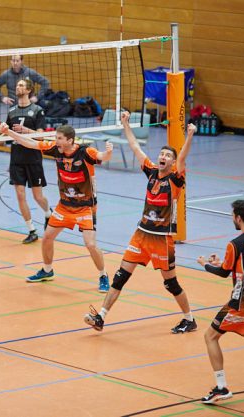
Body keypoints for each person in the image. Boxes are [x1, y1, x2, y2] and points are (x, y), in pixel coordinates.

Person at [84, 112, 198, 332]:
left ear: (173, 162)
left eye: (168, 155)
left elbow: (183, 158)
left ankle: (189, 318)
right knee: (120, 277)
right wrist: (126, 124)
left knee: (170, 283)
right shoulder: (152, 172)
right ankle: (101, 317)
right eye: (161, 153)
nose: (163, 156)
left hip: (161, 239)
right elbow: (135, 146)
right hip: (141, 234)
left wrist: (190, 134)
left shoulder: (176, 179)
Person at [0, 122, 113, 292]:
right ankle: (47, 270)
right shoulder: (55, 149)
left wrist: (108, 152)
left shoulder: (85, 152)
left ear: (70, 140)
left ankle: (103, 275)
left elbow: (103, 156)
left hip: (86, 207)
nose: (56, 141)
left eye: (59, 138)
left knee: (90, 244)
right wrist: (9, 132)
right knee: (47, 238)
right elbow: (31, 143)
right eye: (56, 137)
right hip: (64, 206)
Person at [196, 200, 244, 404]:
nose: (232, 218)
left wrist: (205, 264)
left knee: (210, 336)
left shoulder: (235, 244)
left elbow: (223, 273)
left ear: (238, 218)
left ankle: (221, 387)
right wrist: (224, 263)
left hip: (242, 304)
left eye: (232, 215)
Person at [0, 79, 51, 244]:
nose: (18, 87)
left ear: (29, 90)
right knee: (20, 195)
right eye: (17, 85)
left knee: (38, 197)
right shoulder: (12, 111)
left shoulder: (37, 110)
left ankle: (48, 213)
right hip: (16, 159)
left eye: (21, 85)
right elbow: (7, 132)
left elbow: (41, 137)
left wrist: (25, 131)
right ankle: (32, 230)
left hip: (33, 158)